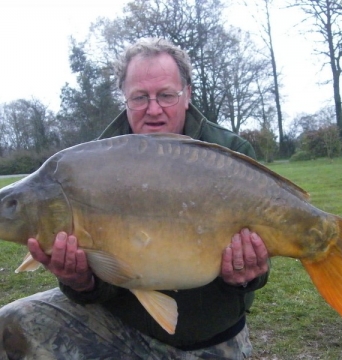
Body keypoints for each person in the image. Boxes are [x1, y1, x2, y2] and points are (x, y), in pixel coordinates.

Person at [0, 38, 269, 359]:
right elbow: (99, 285)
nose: (153, 109)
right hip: (125, 326)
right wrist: (80, 281)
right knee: (10, 322)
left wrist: (246, 275)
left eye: (166, 95)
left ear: (187, 95)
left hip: (211, 334)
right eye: (140, 97)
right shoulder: (92, 164)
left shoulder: (232, 154)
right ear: (125, 99)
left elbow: (259, 271)